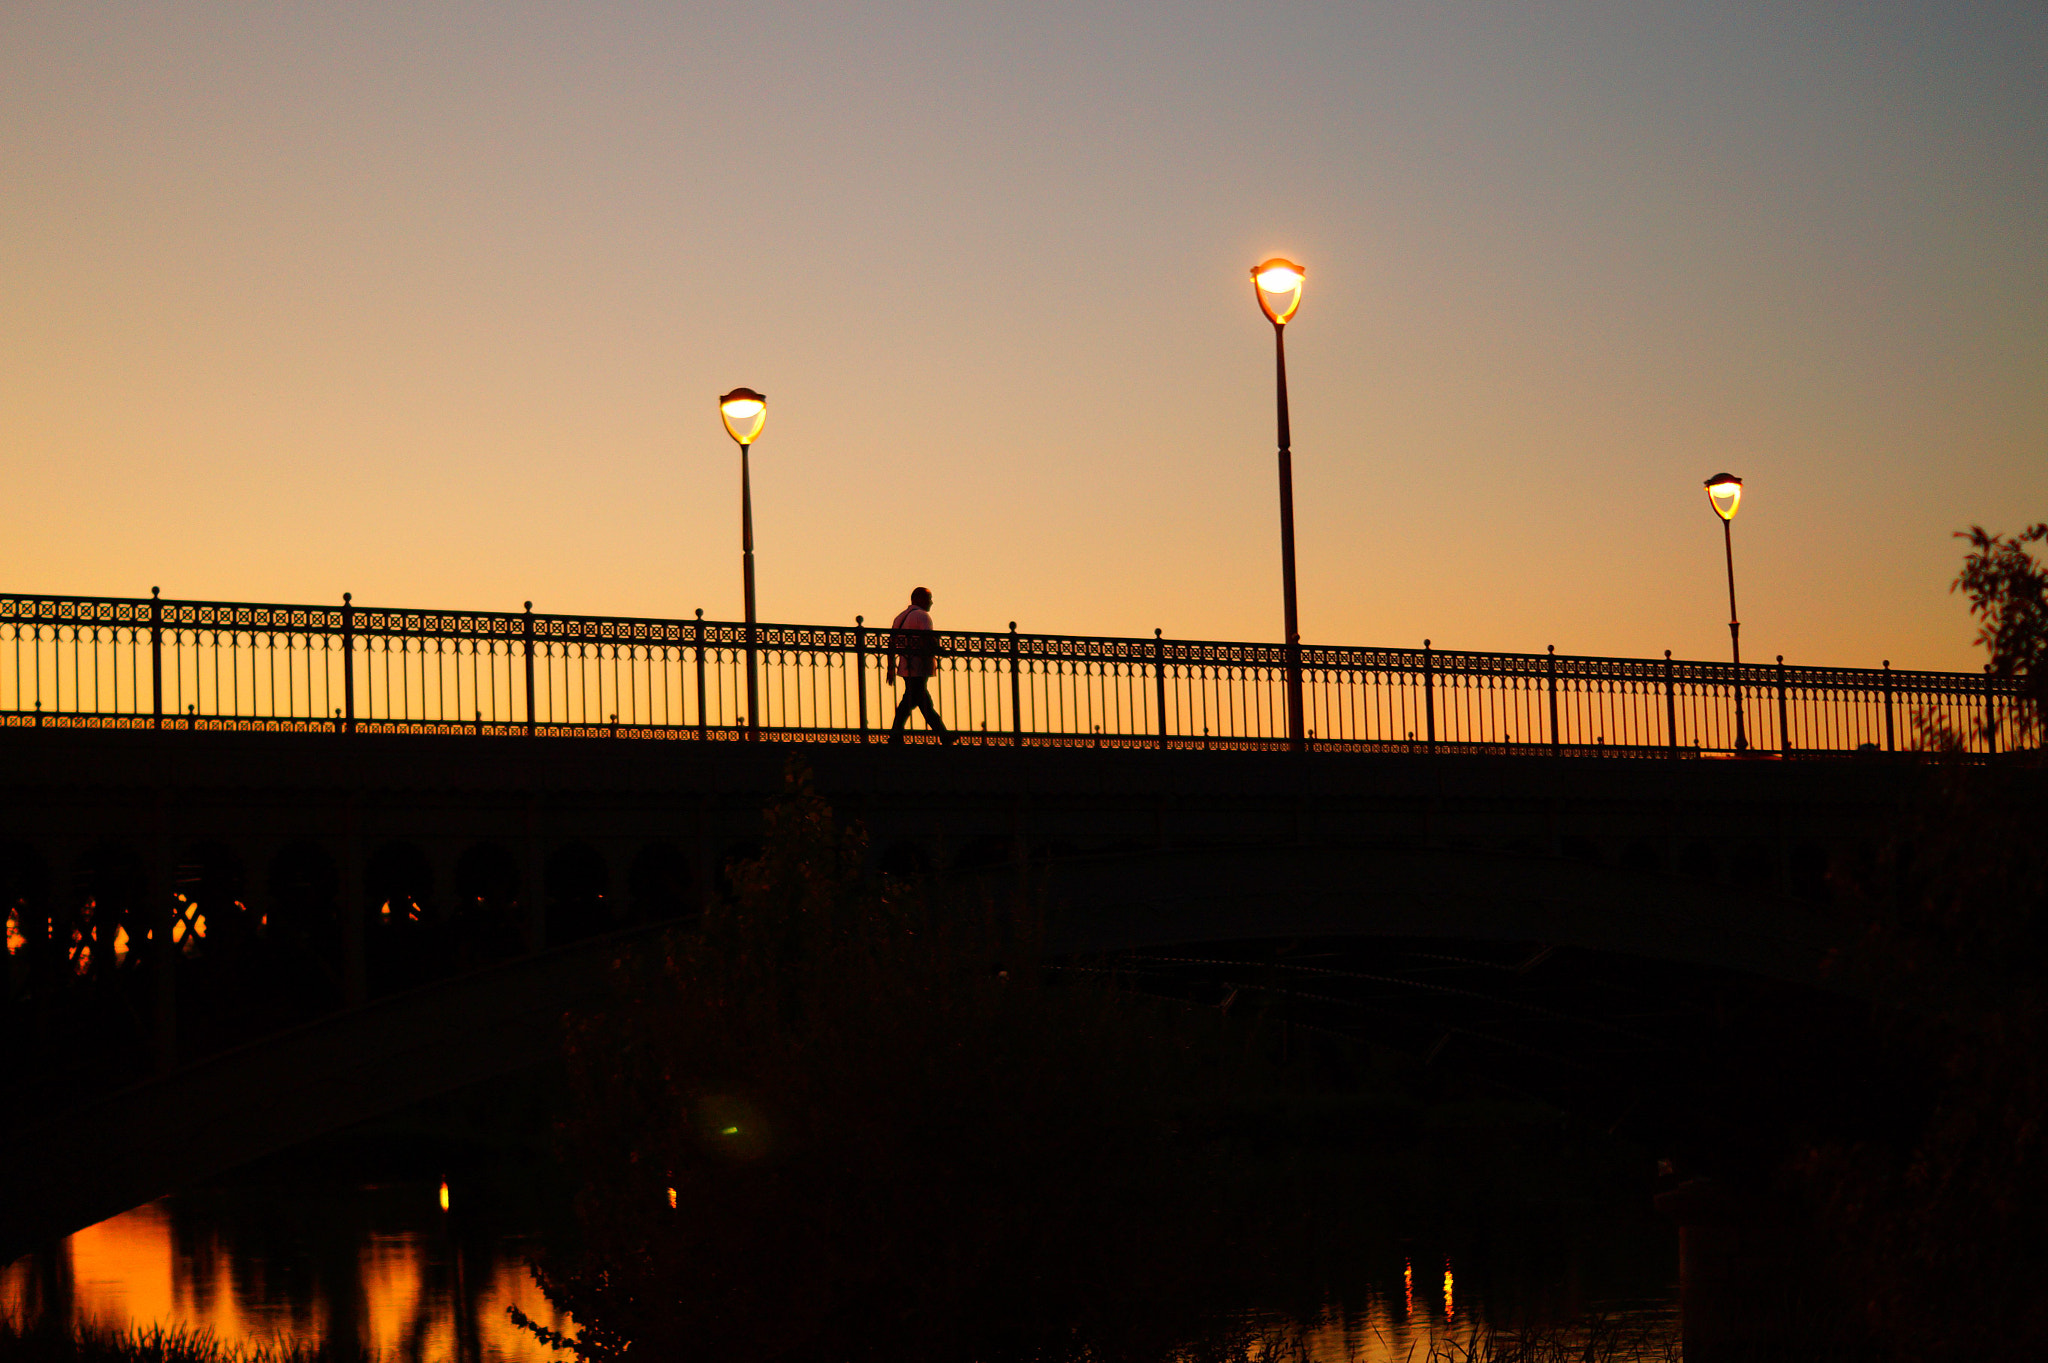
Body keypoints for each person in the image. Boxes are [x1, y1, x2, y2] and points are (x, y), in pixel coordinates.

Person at [888, 586, 954, 745]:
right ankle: (943, 735)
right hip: (919, 665)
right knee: (921, 702)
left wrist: (891, 667)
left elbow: (891, 644)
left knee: (912, 700)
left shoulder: (900, 617)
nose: (931, 602)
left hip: (905, 666)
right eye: (928, 598)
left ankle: (896, 735)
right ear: (918, 599)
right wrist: (942, 651)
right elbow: (928, 638)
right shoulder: (922, 616)